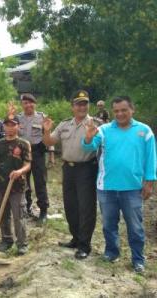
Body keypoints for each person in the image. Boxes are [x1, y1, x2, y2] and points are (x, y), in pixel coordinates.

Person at [82, 96, 156, 273]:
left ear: (132, 109)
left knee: (135, 226)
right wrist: (87, 138)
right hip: (107, 187)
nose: (120, 114)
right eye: (116, 111)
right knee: (109, 224)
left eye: (124, 110)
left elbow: (151, 158)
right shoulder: (104, 130)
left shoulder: (144, 131)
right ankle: (111, 252)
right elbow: (89, 147)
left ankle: (138, 259)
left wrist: (150, 182)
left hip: (133, 188)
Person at [42, 90, 101, 259]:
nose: (82, 107)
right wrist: (46, 131)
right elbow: (49, 142)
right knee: (70, 206)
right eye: (78, 104)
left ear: (88, 105)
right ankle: (75, 238)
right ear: (72, 107)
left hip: (86, 169)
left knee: (86, 207)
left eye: (85, 103)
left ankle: (84, 245)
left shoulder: (96, 124)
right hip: (68, 169)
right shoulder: (64, 124)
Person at [0, 114, 31, 255]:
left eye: (13, 124)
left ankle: (22, 243)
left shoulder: (23, 144)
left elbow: (28, 164)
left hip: (18, 186)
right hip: (1, 184)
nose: (10, 128)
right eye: (7, 125)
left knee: (18, 215)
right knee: (3, 214)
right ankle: (6, 240)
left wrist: (19, 171)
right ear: (4, 126)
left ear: (18, 126)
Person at [16, 93, 50, 224]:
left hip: (38, 152)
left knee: (40, 182)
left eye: (31, 102)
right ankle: (26, 208)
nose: (28, 105)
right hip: (22, 153)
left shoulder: (42, 117)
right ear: (22, 105)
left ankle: (43, 211)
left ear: (35, 104)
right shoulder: (18, 118)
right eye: (25, 103)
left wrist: (50, 154)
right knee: (23, 182)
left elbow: (47, 136)